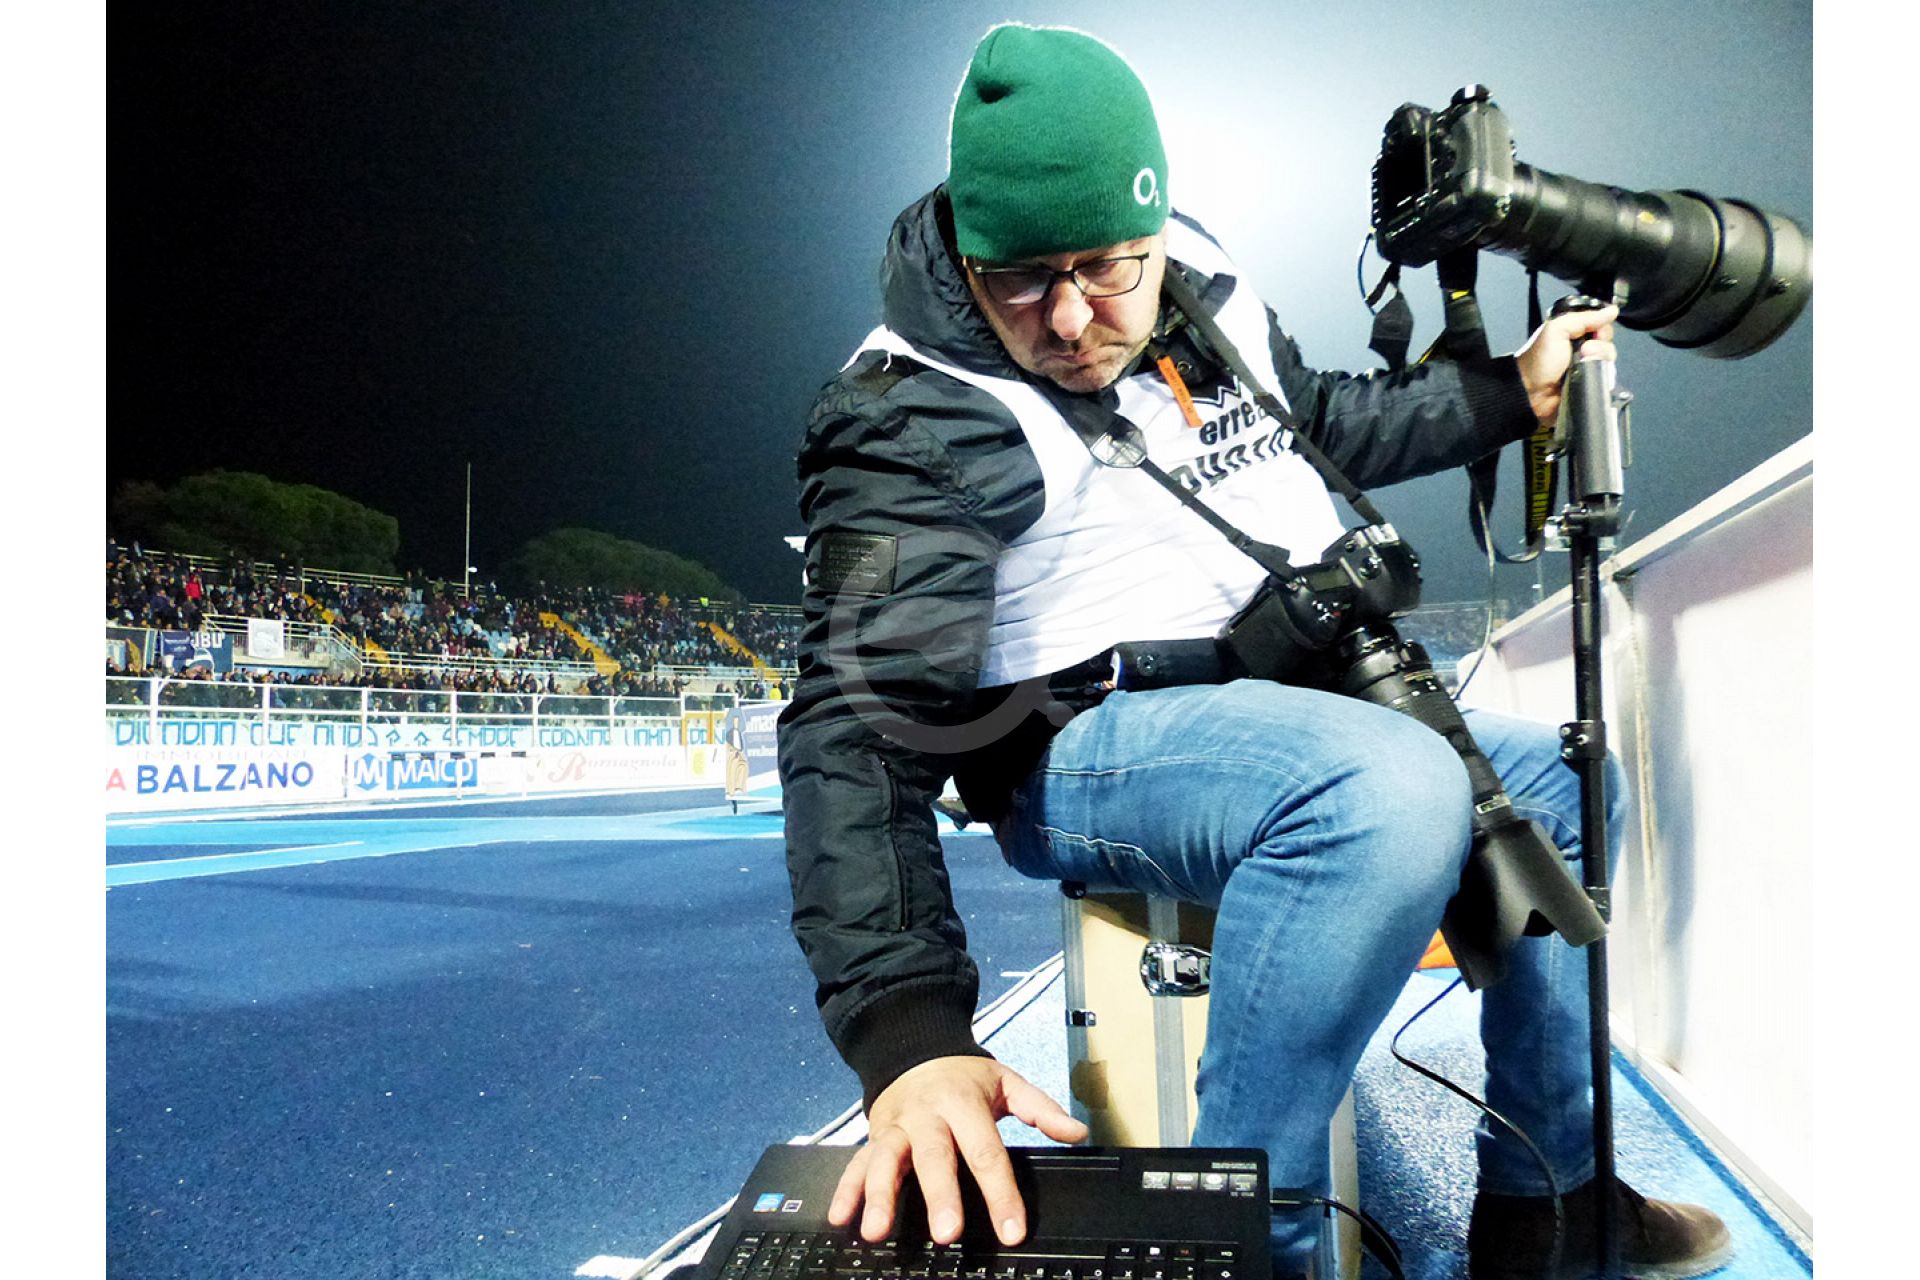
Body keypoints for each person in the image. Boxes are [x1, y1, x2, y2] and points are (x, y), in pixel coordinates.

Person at [777, 24, 1729, 1280]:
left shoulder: (1199, 273)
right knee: (1386, 787)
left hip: (1286, 689)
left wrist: (1515, 390)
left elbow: (1311, 420)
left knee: (1563, 782)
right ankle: (1239, 1243)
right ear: (965, 251)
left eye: (1106, 268)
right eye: (1022, 281)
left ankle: (1548, 1207)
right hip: (1081, 739)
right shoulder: (907, 414)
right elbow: (853, 728)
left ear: (1152, 222)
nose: (1071, 317)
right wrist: (908, 1034)